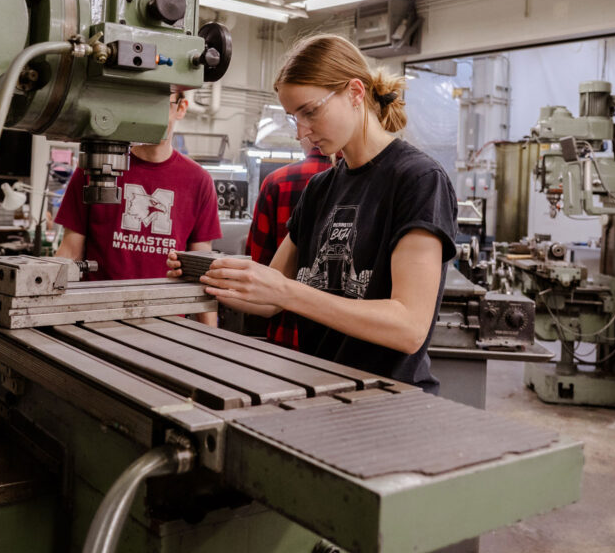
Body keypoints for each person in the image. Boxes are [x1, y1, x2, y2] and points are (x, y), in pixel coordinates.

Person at [168, 35, 457, 392]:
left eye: (310, 111)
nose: (301, 133)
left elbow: (409, 328)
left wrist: (288, 293)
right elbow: (270, 300)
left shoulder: (418, 180)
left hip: (387, 399)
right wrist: (213, 275)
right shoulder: (320, 189)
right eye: (294, 118)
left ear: (354, 93)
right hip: (320, 388)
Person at [57, 90, 222, 326]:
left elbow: (201, 270)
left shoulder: (198, 180)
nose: (149, 114)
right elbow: (70, 253)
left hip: (168, 324)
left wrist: (210, 340)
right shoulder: (95, 170)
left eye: (158, 102)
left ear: (181, 108)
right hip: (98, 320)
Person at [245, 137, 331, 345]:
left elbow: (258, 271)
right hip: (345, 345)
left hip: (289, 338)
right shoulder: (372, 184)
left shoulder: (278, 182)